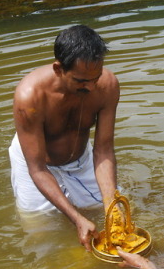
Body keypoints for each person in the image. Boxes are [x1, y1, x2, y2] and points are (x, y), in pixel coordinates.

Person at [8, 25, 120, 251]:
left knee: (115, 214)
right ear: (58, 69)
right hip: (36, 161)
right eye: (80, 81)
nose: (90, 87)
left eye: (94, 78)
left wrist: (111, 205)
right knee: (40, 231)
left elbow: (104, 150)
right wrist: (76, 218)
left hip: (81, 158)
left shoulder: (107, 86)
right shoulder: (30, 97)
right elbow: (37, 168)